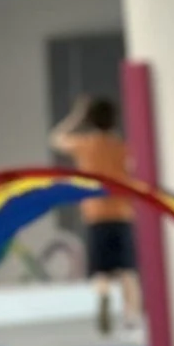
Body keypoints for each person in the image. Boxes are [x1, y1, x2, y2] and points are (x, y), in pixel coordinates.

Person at [47, 88, 140, 333]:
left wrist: (77, 115)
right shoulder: (121, 147)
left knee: (101, 271)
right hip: (121, 213)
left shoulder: (85, 145)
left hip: (95, 215)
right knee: (127, 270)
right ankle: (131, 316)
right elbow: (134, 169)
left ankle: (104, 296)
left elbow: (56, 137)